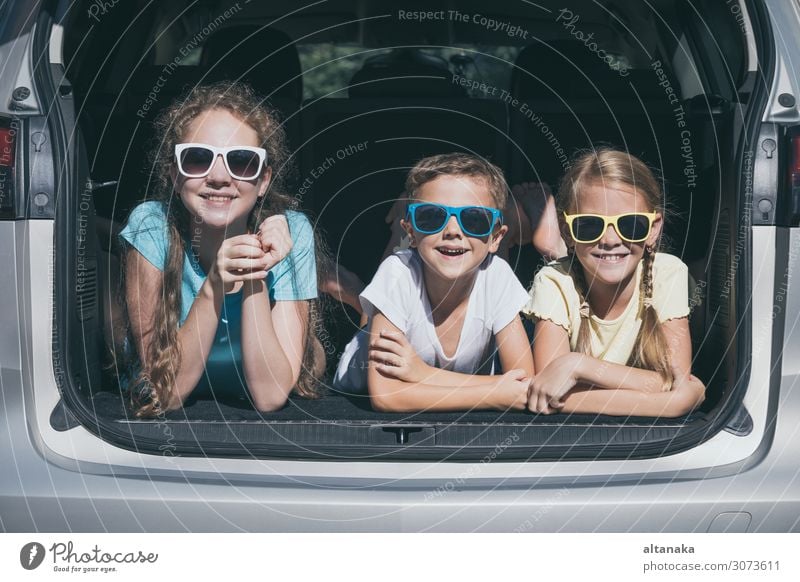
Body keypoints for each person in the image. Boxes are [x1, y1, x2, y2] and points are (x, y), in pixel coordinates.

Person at [120, 82, 322, 416]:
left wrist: (255, 268)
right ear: (173, 174)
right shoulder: (151, 227)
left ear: (264, 181)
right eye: (197, 158)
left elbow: (270, 396)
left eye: (242, 162)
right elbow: (163, 395)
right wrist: (214, 286)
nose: (218, 177)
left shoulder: (291, 231)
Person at [333, 153, 535, 412]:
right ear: (412, 232)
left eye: (475, 219)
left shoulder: (498, 276)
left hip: (430, 374)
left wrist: (422, 374)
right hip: (359, 384)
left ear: (496, 238)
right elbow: (386, 396)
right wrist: (495, 391)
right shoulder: (397, 274)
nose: (452, 230)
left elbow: (524, 384)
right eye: (431, 217)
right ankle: (361, 286)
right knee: (395, 272)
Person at [524, 148, 705, 417]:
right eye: (589, 226)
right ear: (568, 232)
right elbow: (547, 394)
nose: (610, 239)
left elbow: (675, 378)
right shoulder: (553, 282)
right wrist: (670, 405)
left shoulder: (668, 273)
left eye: (631, 225)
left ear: (653, 229)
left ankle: (553, 245)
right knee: (566, 267)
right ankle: (553, 247)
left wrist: (579, 366)